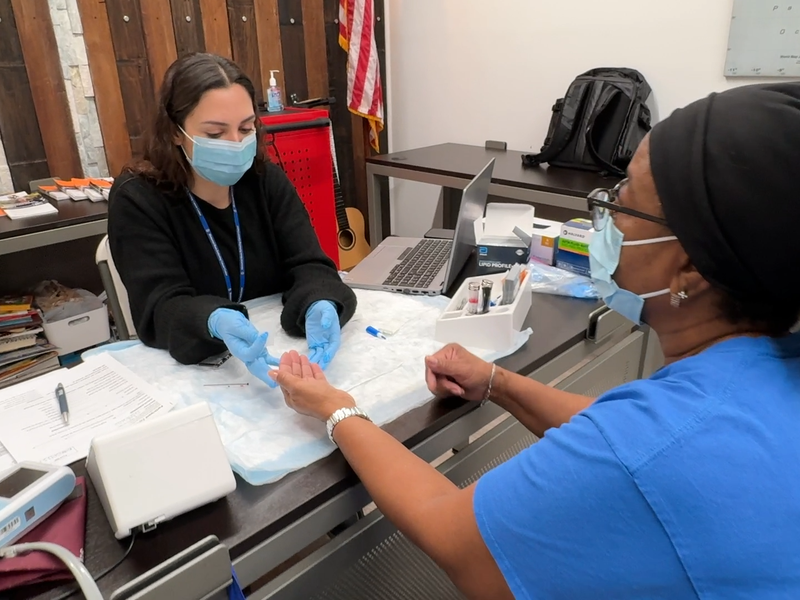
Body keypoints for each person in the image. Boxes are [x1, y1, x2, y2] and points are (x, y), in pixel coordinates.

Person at [269, 83, 800, 598]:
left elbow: (454, 536)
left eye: (624, 204)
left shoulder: (649, 447)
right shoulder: (766, 368)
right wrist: (498, 381)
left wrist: (337, 409)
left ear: (690, 270)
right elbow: (620, 426)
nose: (605, 219)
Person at [108, 53, 356, 383]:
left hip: (282, 358)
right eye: (215, 134)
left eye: (246, 128)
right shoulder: (138, 198)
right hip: (195, 377)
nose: (236, 144)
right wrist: (211, 320)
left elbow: (310, 264)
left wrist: (321, 301)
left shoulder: (266, 182)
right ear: (175, 133)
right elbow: (160, 307)